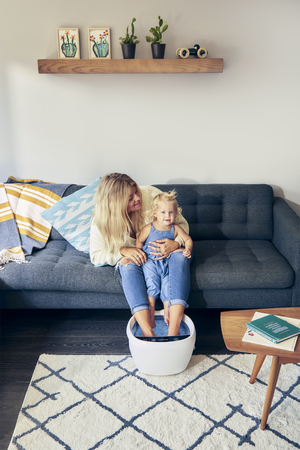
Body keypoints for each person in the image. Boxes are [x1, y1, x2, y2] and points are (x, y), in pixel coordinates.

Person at [90, 173, 192, 337]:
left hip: (169, 254)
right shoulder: (100, 219)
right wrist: (122, 250)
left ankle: (174, 329)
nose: (138, 198)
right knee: (127, 264)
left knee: (180, 256)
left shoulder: (151, 195)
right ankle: (147, 332)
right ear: (116, 204)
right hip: (143, 261)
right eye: (130, 198)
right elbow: (95, 255)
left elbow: (182, 225)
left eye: (136, 191)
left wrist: (176, 243)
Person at [136, 191, 193, 331]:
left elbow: (188, 240)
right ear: (154, 213)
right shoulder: (149, 228)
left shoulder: (176, 229)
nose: (167, 216)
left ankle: (168, 310)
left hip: (167, 263)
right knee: (152, 284)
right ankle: (151, 309)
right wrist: (139, 253)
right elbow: (139, 241)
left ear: (176, 213)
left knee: (168, 285)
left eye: (171, 212)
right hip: (150, 262)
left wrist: (188, 249)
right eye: (163, 212)